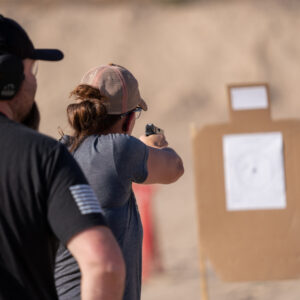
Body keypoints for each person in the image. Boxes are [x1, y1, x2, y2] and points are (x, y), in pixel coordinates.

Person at [0, 16, 125, 300]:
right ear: (7, 76)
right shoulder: (41, 156)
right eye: (31, 70)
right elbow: (104, 265)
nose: (33, 81)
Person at [55, 63, 184, 300]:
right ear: (127, 120)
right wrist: (152, 144)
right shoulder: (119, 150)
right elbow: (175, 168)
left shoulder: (60, 151)